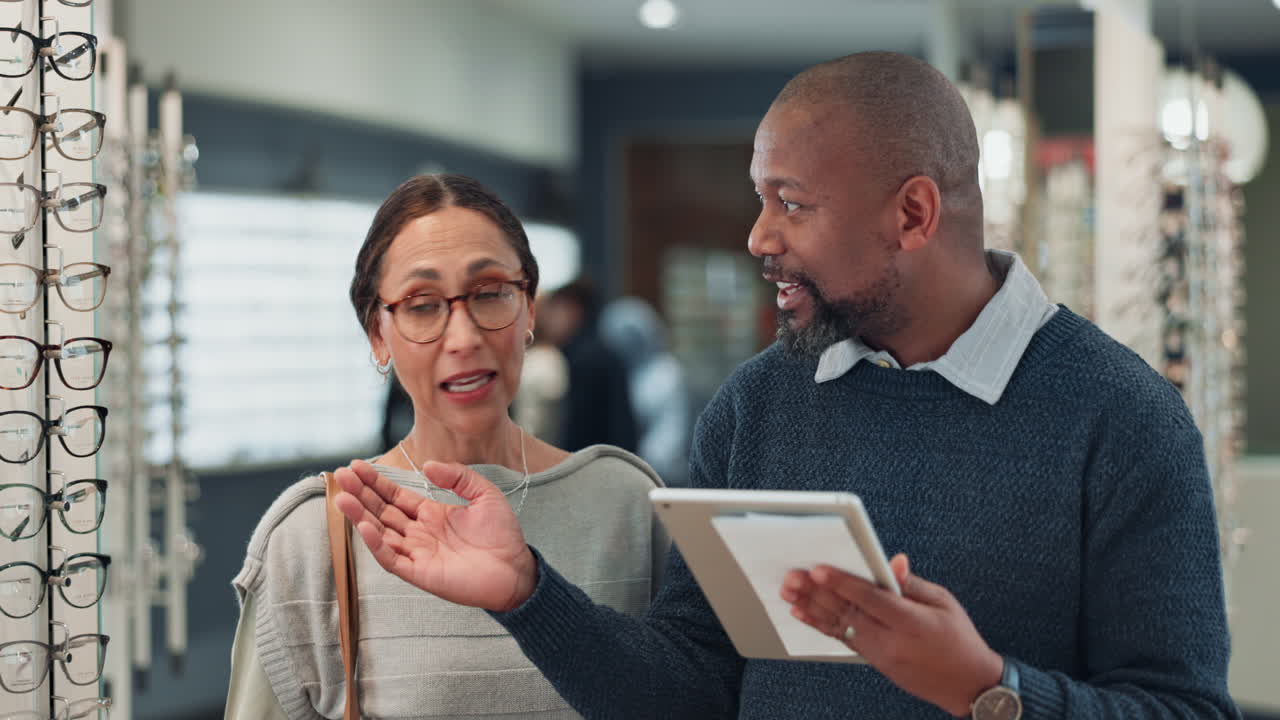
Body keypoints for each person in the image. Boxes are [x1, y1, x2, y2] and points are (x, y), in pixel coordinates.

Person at [333, 53, 1239, 720]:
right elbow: (690, 691)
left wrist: (986, 689)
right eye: (759, 198)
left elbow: (1187, 712)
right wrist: (528, 591)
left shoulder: (1122, 419)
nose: (759, 236)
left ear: (913, 214)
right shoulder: (757, 406)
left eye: (792, 203)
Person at [224, 174, 667, 720]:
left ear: (529, 308)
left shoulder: (629, 503)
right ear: (377, 334)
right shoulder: (313, 537)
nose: (463, 338)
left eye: (489, 294)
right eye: (421, 304)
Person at [599, 296, 692, 486]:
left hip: (657, 476)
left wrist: (636, 469)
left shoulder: (665, 373)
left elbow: (668, 438)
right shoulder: (615, 372)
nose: (625, 342)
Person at [541, 279, 639, 452]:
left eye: (553, 311)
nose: (548, 322)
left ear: (573, 310)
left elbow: (577, 430)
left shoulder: (585, 359)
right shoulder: (601, 351)